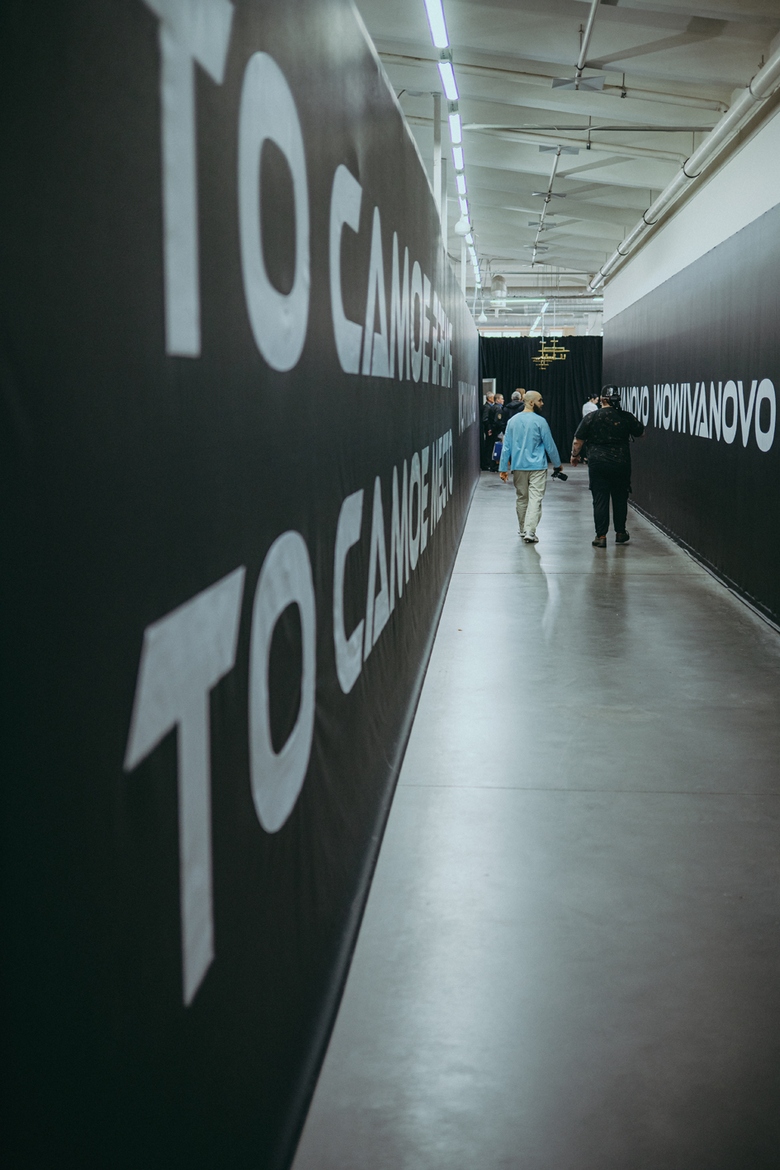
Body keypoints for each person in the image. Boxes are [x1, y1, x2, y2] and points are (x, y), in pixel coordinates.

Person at [571, 385, 644, 548]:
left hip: (598, 463)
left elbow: (578, 441)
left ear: (602, 399)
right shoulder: (625, 416)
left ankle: (601, 536)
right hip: (621, 463)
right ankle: (620, 532)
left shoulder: (591, 417)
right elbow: (641, 432)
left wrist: (574, 456)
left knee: (600, 499)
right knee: (620, 498)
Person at [499, 390, 562, 543]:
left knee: (522, 498)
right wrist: (557, 464)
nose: (542, 403)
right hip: (537, 466)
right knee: (535, 499)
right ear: (531, 402)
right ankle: (530, 531)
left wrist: (503, 468)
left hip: (518, 466)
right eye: (540, 400)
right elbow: (549, 445)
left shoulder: (512, 421)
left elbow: (506, 447)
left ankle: (523, 529)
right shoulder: (540, 421)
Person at [488, 394, 508, 471]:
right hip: (497, 432)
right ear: (497, 400)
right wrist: (499, 430)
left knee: (492, 448)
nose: (503, 400)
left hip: (493, 431)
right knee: (496, 448)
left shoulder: (492, 407)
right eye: (501, 399)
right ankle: (494, 465)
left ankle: (493, 465)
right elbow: (497, 421)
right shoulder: (498, 409)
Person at [481, 391, 496, 470]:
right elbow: (485, 419)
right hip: (488, 431)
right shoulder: (487, 407)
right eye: (493, 397)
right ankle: (486, 464)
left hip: (488, 430)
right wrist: (489, 428)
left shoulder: (489, 407)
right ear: (490, 398)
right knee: (488, 447)